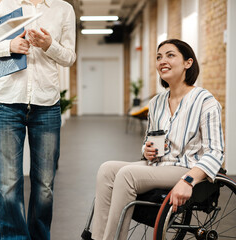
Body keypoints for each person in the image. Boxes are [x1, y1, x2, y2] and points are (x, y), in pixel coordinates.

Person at [91, 39, 224, 240]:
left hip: (186, 167)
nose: (162, 60)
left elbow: (215, 152)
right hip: (159, 164)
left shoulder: (205, 101)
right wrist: (147, 149)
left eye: (170, 55)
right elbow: (150, 139)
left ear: (188, 63)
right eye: (159, 57)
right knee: (107, 169)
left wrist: (188, 180)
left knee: (127, 174)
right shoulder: (157, 102)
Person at [0, 0, 76, 239]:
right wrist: (10, 46)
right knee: (8, 185)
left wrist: (49, 45)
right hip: (7, 104)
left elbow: (69, 57)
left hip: (46, 105)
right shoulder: (7, 5)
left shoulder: (63, 9)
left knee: (45, 185)